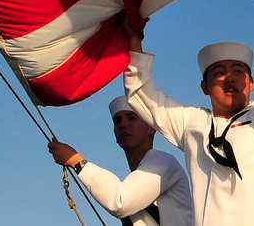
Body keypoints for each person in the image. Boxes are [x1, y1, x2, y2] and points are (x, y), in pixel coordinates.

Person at [123, 0, 254, 226]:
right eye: (219, 73)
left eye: (238, 72)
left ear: (251, 83)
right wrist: (134, 40)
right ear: (205, 87)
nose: (229, 78)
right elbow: (144, 98)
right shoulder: (193, 123)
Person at [48, 96, 194, 226]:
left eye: (132, 118)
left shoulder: (163, 162)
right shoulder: (137, 178)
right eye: (117, 121)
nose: (123, 124)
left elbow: (120, 202)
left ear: (151, 128)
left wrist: (77, 162)